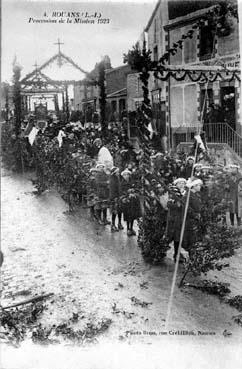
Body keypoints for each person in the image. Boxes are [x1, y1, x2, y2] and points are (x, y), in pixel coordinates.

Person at [166, 178, 187, 262]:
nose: (182, 185)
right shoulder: (173, 193)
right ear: (176, 184)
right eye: (180, 183)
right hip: (175, 218)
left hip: (182, 217)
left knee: (180, 236)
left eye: (183, 183)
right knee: (176, 236)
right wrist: (177, 205)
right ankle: (176, 254)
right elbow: (169, 204)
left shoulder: (185, 193)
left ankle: (178, 253)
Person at [183, 178, 203, 253]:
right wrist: (194, 215)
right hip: (190, 219)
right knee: (190, 238)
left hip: (195, 219)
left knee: (194, 237)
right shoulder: (188, 195)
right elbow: (186, 208)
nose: (200, 187)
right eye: (198, 185)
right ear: (194, 186)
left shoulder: (195, 194)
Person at [120, 168, 141, 236]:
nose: (126, 176)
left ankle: (131, 228)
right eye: (125, 175)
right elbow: (121, 192)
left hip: (133, 201)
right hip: (126, 201)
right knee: (127, 215)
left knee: (133, 215)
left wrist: (134, 191)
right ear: (123, 176)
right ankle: (128, 229)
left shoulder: (132, 181)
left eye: (127, 174)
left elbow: (136, 188)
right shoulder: (122, 183)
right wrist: (127, 193)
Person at [109, 167, 124, 232]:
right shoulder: (112, 179)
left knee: (120, 211)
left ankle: (119, 223)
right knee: (114, 211)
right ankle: (113, 225)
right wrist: (115, 197)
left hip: (119, 197)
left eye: (118, 172)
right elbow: (112, 190)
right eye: (117, 172)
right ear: (114, 173)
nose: (118, 173)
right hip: (114, 197)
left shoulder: (117, 178)